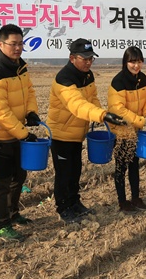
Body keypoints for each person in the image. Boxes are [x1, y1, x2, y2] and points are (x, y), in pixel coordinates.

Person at [47, 38, 125, 223]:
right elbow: (77, 105)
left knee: (75, 170)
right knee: (64, 173)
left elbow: (92, 100)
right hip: (62, 134)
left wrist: (103, 114)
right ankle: (63, 207)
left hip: (77, 134)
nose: (89, 62)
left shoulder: (88, 75)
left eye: (91, 58)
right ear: (72, 58)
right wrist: (102, 115)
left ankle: (74, 202)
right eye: (85, 58)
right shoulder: (64, 79)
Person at [0, 24, 39, 242]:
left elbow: (29, 91)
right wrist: (23, 133)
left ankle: (13, 214)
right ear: (0, 44)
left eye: (21, 43)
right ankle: (2, 226)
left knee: (19, 176)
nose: (18, 48)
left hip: (17, 132)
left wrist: (32, 111)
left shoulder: (19, 66)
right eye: (13, 44)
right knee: (2, 181)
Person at [107, 46, 146, 212]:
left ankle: (136, 197)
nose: (136, 65)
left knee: (134, 165)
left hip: (135, 131)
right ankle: (122, 201)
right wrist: (139, 120)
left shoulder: (143, 79)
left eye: (139, 61)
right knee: (121, 166)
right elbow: (118, 109)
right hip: (121, 131)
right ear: (125, 62)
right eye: (132, 61)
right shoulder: (118, 81)